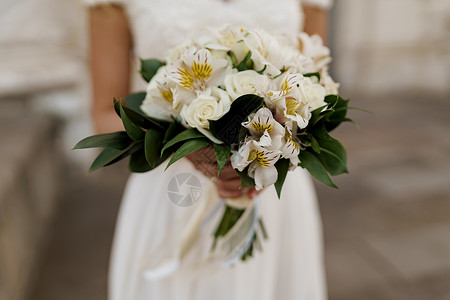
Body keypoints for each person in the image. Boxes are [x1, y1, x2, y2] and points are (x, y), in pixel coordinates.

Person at [86, 0, 332, 299]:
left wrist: (269, 149)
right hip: (175, 190)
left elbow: (317, 93)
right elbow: (105, 113)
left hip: (273, 187)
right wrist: (187, 145)